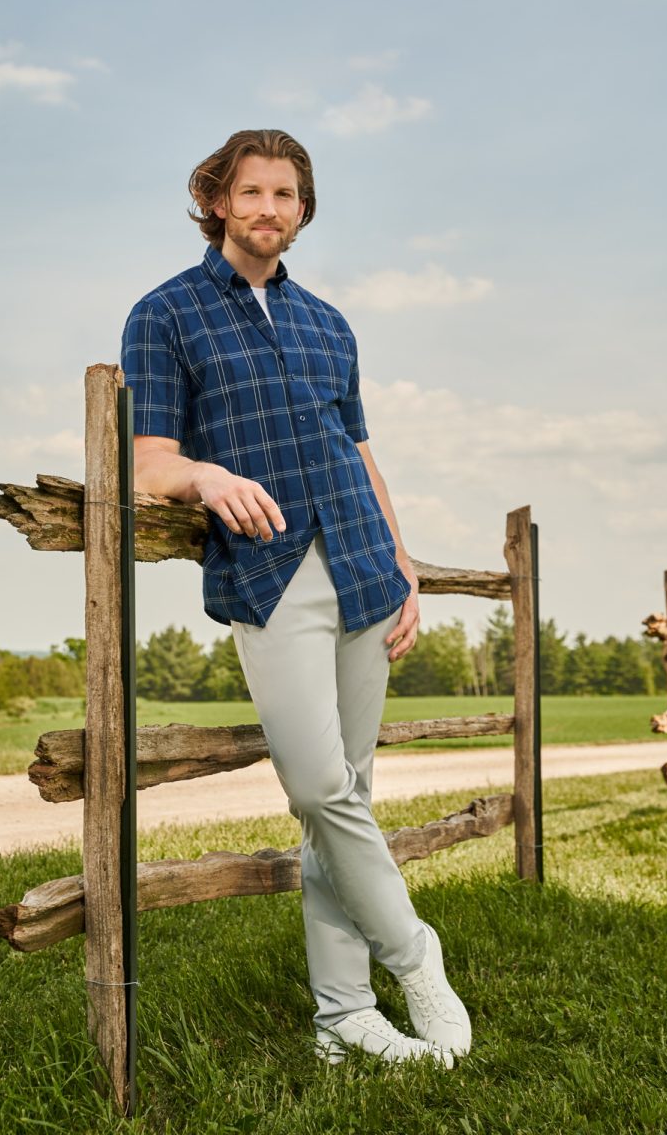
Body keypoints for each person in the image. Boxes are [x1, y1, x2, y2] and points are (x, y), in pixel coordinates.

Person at [120, 129, 471, 1067]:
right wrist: (201, 477)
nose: (269, 209)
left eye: (286, 194)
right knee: (318, 786)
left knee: (346, 796)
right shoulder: (165, 315)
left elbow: (359, 452)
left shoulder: (330, 324)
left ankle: (342, 1015)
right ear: (219, 201)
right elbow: (146, 459)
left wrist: (401, 564)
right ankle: (415, 955)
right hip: (268, 576)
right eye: (251, 192)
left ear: (303, 210)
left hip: (361, 566)